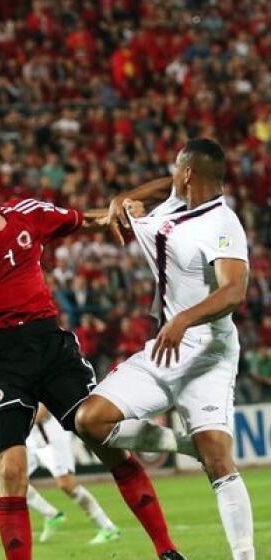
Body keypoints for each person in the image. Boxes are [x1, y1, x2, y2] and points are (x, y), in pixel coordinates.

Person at [0, 149, 185, 560]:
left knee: (105, 440)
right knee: (13, 471)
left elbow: (87, 219)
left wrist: (121, 210)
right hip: (0, 358)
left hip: (51, 345)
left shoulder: (28, 213)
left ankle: (167, 549)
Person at [76, 138, 254, 560]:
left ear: (188, 173)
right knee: (91, 421)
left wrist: (183, 318)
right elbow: (159, 187)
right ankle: (184, 444)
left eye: (176, 169)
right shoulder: (175, 204)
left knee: (219, 462)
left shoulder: (223, 224)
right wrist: (123, 199)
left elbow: (234, 291)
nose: (170, 177)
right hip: (165, 347)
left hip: (207, 351)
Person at [24, 405, 118, 544]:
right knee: (12, 481)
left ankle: (108, 528)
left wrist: (13, 422)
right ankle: (51, 514)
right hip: (33, 438)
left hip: (52, 436)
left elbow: (42, 412)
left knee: (67, 485)